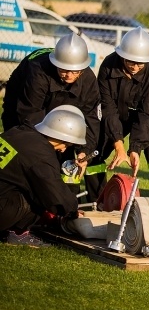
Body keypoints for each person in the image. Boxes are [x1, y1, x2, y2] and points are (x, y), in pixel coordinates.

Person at [1, 33, 101, 192]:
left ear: (82, 69)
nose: (68, 75)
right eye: (63, 70)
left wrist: (84, 150)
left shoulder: (89, 81)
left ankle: (68, 198)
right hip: (21, 109)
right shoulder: (37, 72)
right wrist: (46, 152)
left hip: (63, 116)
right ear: (55, 63)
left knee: (66, 160)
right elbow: (29, 117)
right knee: (27, 158)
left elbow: (90, 118)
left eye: (74, 71)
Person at [88, 28, 149, 203]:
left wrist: (135, 148)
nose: (135, 67)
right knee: (95, 150)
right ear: (121, 55)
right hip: (117, 112)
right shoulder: (108, 67)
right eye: (131, 61)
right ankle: (99, 202)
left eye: (140, 63)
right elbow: (107, 108)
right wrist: (118, 145)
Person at [0, 105, 87, 247]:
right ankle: (18, 233)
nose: (64, 149)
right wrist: (71, 210)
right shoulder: (41, 155)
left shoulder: (19, 132)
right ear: (60, 136)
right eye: (68, 144)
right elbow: (55, 194)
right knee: (40, 190)